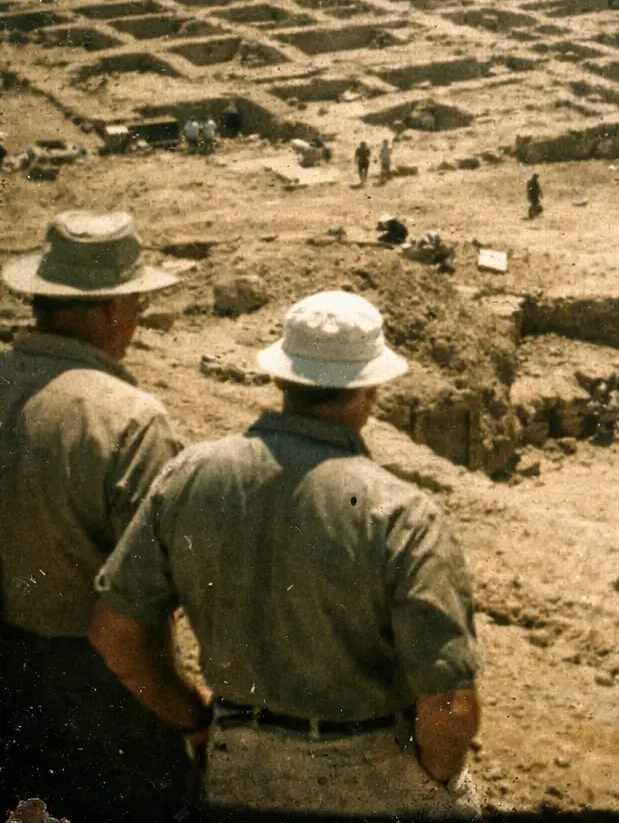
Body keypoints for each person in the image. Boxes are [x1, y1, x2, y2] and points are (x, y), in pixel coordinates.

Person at [90, 291, 482, 818]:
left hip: (239, 765)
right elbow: (449, 706)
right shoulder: (403, 514)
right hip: (370, 771)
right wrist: (433, 781)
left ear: (280, 378)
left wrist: (193, 719)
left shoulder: (189, 477)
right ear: (371, 390)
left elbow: (116, 634)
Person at [0, 211, 188, 822]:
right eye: (134, 306)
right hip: (97, 687)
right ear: (112, 312)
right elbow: (140, 611)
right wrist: (187, 713)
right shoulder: (130, 420)